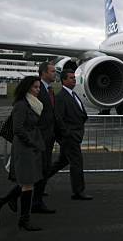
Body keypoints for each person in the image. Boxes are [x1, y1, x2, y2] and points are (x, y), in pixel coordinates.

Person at [0, 76, 44, 231]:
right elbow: (18, 129)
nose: (38, 90)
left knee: (28, 183)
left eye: (39, 87)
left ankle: (0, 203)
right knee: (28, 183)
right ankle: (24, 220)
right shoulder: (21, 105)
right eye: (35, 87)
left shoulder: (34, 104)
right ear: (27, 88)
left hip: (30, 147)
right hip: (25, 148)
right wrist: (32, 143)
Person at [48, 69, 93, 200]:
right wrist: (67, 135)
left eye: (74, 77)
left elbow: (80, 113)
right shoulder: (61, 97)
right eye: (71, 78)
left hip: (74, 136)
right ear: (63, 81)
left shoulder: (73, 94)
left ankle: (39, 181)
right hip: (70, 138)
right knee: (77, 163)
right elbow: (59, 119)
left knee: (61, 162)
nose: (74, 79)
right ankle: (78, 191)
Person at [32, 61, 67, 213]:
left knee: (43, 169)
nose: (55, 74)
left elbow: (52, 114)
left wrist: (62, 132)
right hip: (39, 138)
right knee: (38, 170)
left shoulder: (50, 90)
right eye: (52, 71)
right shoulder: (37, 89)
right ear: (44, 73)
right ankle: (33, 202)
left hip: (49, 137)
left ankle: (35, 200)